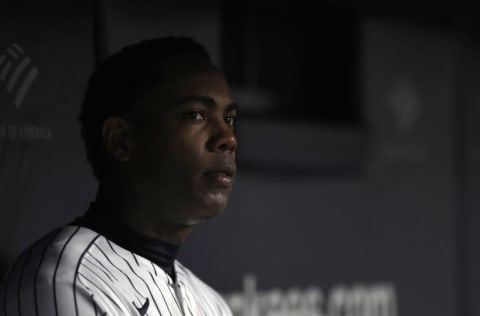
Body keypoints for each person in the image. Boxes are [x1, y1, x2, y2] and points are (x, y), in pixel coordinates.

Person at [0, 37, 237, 315]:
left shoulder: (212, 303)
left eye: (229, 119)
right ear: (121, 140)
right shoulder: (65, 282)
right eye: (195, 114)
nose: (228, 138)